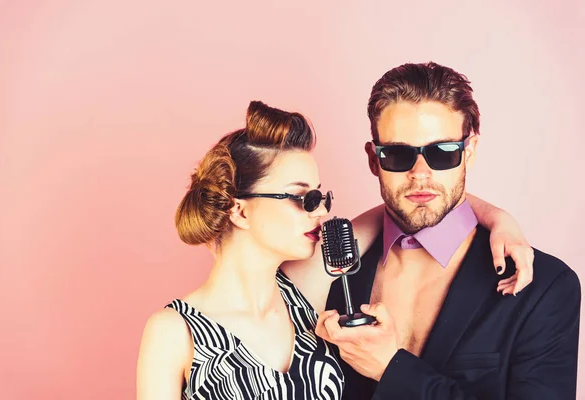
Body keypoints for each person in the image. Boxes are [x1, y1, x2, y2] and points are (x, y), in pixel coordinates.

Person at [136, 100, 534, 400]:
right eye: (301, 198)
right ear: (239, 209)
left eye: (320, 196)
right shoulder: (173, 332)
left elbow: (412, 201)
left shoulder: (306, 296)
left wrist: (498, 218)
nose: (321, 211)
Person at [315, 62, 581, 399]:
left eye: (442, 153)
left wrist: (392, 370)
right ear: (373, 159)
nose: (420, 173)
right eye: (398, 154)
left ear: (468, 153)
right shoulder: (333, 274)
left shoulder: (543, 286)